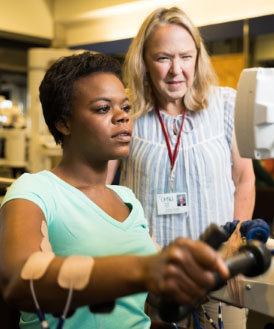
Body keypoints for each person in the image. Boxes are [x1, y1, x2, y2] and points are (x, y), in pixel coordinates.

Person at [0, 52, 229, 329]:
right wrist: (143, 270)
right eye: (102, 109)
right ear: (64, 123)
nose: (122, 117)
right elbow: (19, 280)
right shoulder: (35, 190)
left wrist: (215, 261)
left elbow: (158, 287)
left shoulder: (127, 199)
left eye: (125, 107)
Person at [107, 7, 255, 329]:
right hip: (153, 275)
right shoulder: (126, 114)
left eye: (186, 57)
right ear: (143, 61)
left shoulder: (226, 106)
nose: (176, 70)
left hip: (220, 270)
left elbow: (244, 178)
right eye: (163, 58)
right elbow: (105, 193)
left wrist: (237, 236)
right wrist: (148, 248)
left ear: (198, 58)